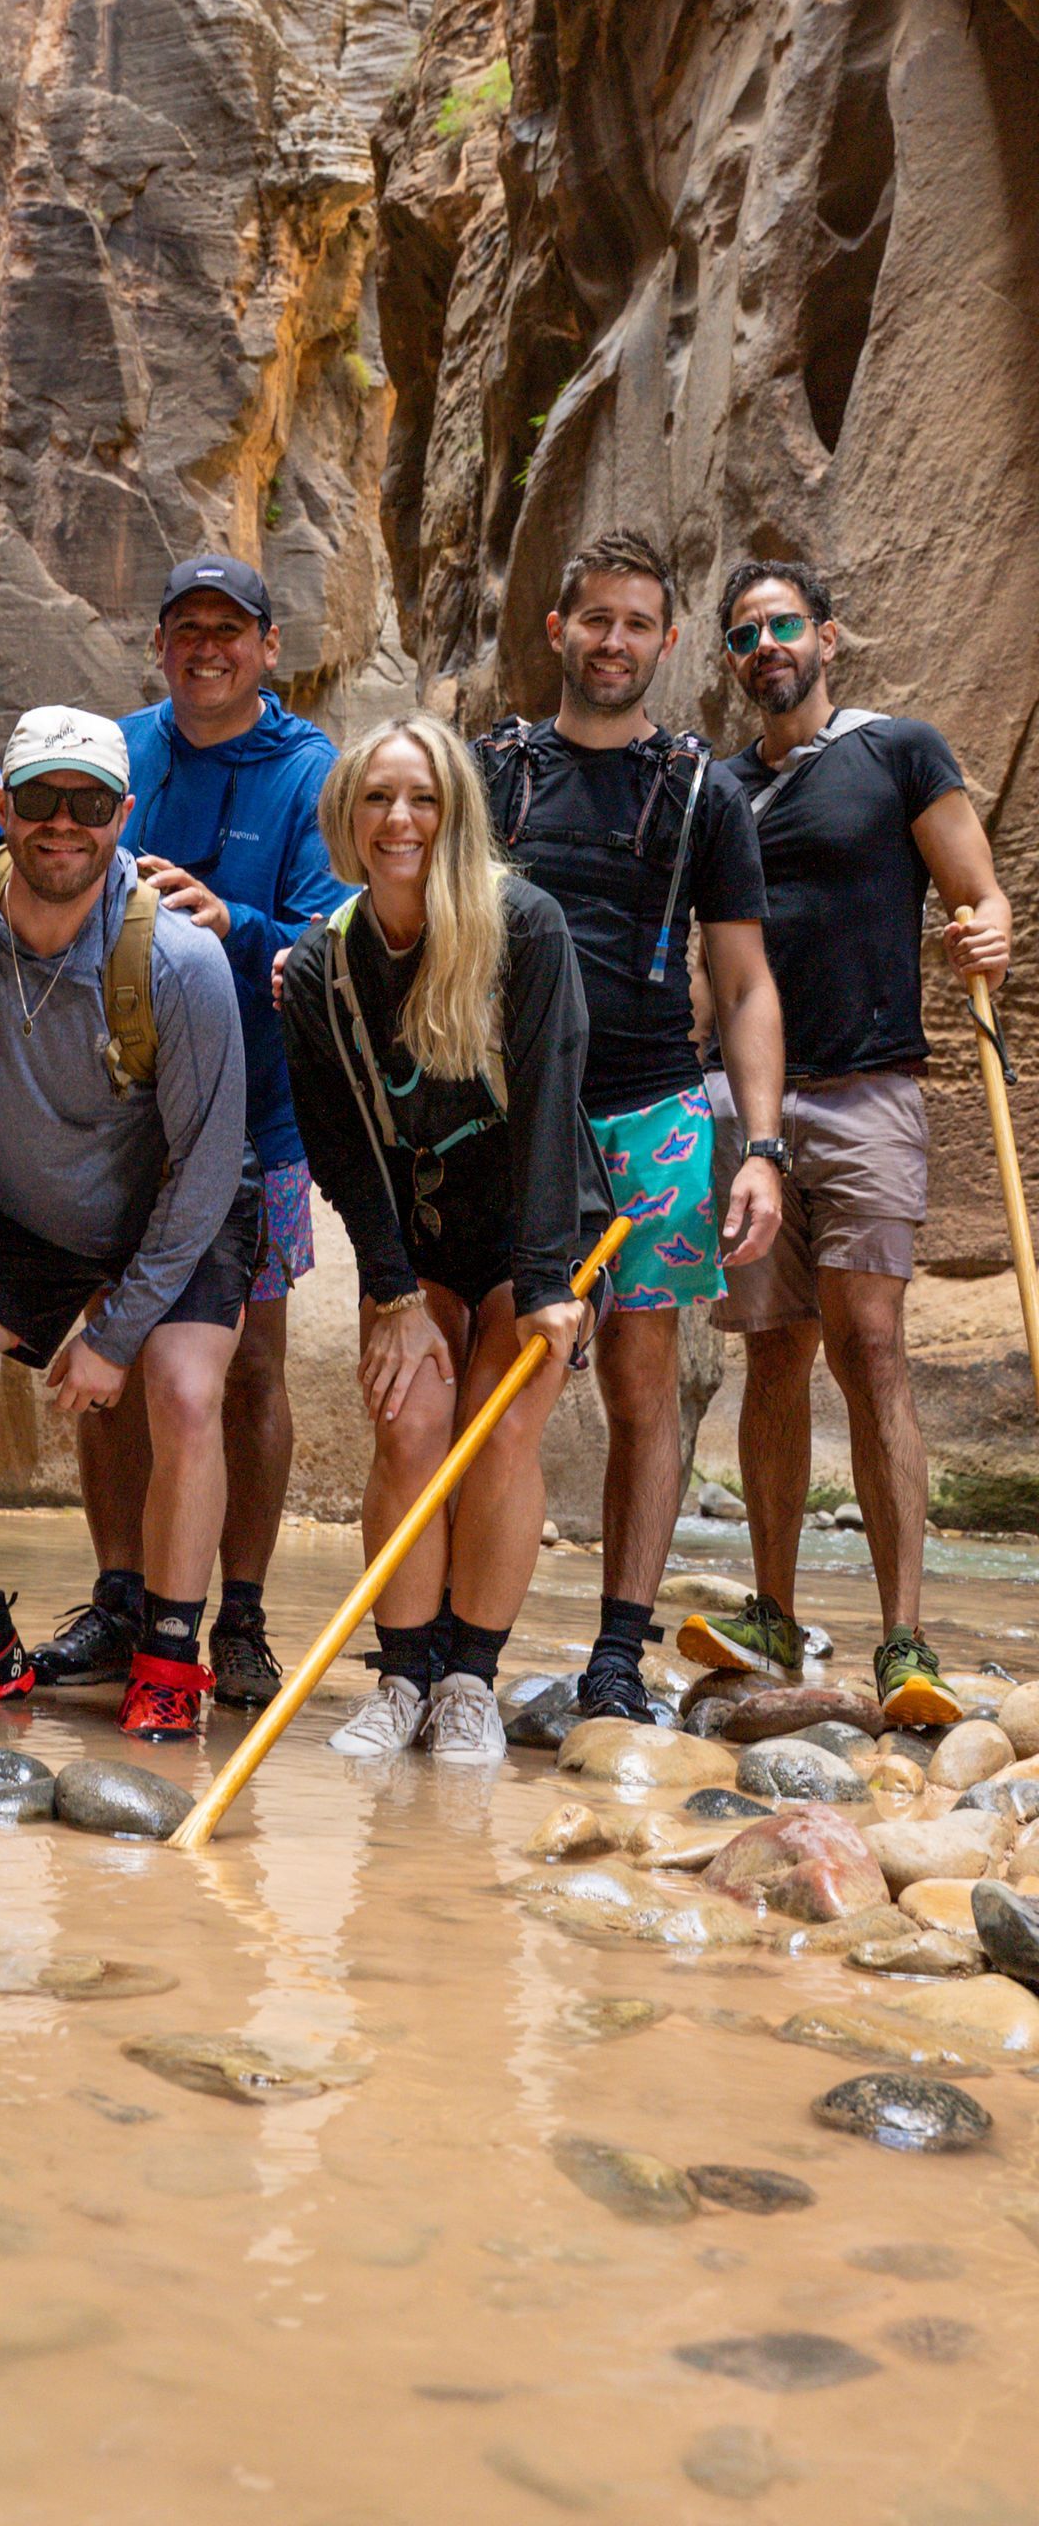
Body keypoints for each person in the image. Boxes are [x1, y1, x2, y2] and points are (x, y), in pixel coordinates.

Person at [0, 706, 253, 1740]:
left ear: (124, 815)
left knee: (185, 1392)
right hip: (33, 1218)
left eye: (86, 804)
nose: (61, 824)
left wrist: (118, 1332)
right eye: (39, 799)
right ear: (1, 806)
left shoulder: (180, 963)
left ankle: (169, 1654)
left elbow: (208, 1166)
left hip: (181, 1217)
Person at [678, 561, 1013, 1727]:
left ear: (826, 637)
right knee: (773, 1348)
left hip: (870, 1091)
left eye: (783, 626)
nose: (767, 646)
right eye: (744, 634)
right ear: (729, 660)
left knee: (869, 1345)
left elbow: (979, 894)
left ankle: (903, 1636)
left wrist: (991, 938)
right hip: (742, 1108)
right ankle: (770, 1614)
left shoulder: (902, 751)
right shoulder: (713, 790)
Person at [473, 528, 786, 1722]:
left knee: (645, 1381)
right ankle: (459, 1655)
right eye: (594, 619)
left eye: (638, 624)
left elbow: (746, 984)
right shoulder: (493, 771)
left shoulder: (703, 791)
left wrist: (756, 1146)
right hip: (511, 1111)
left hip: (653, 1109)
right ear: (557, 631)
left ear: (666, 641)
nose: (614, 642)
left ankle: (616, 1652)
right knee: (509, 1368)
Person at [279, 716, 613, 1764]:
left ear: (455, 813)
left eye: (421, 798)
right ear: (347, 817)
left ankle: (470, 1677)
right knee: (409, 1421)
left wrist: (548, 1282)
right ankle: (403, 1678)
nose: (399, 820)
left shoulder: (527, 928)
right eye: (377, 798)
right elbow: (338, 1150)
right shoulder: (318, 970)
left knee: (501, 1428)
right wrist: (391, 1297)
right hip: (418, 1232)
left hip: (540, 1230)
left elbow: (556, 1104)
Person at [35, 554, 335, 1710]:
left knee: (251, 1366)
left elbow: (331, 938)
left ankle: (243, 1618)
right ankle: (120, 1603)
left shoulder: (309, 773)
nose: (207, 647)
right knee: (103, 1353)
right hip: (117, 1121)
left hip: (261, 1120)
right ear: (159, 644)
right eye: (185, 628)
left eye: (231, 629)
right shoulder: (116, 753)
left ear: (267, 646)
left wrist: (233, 920)